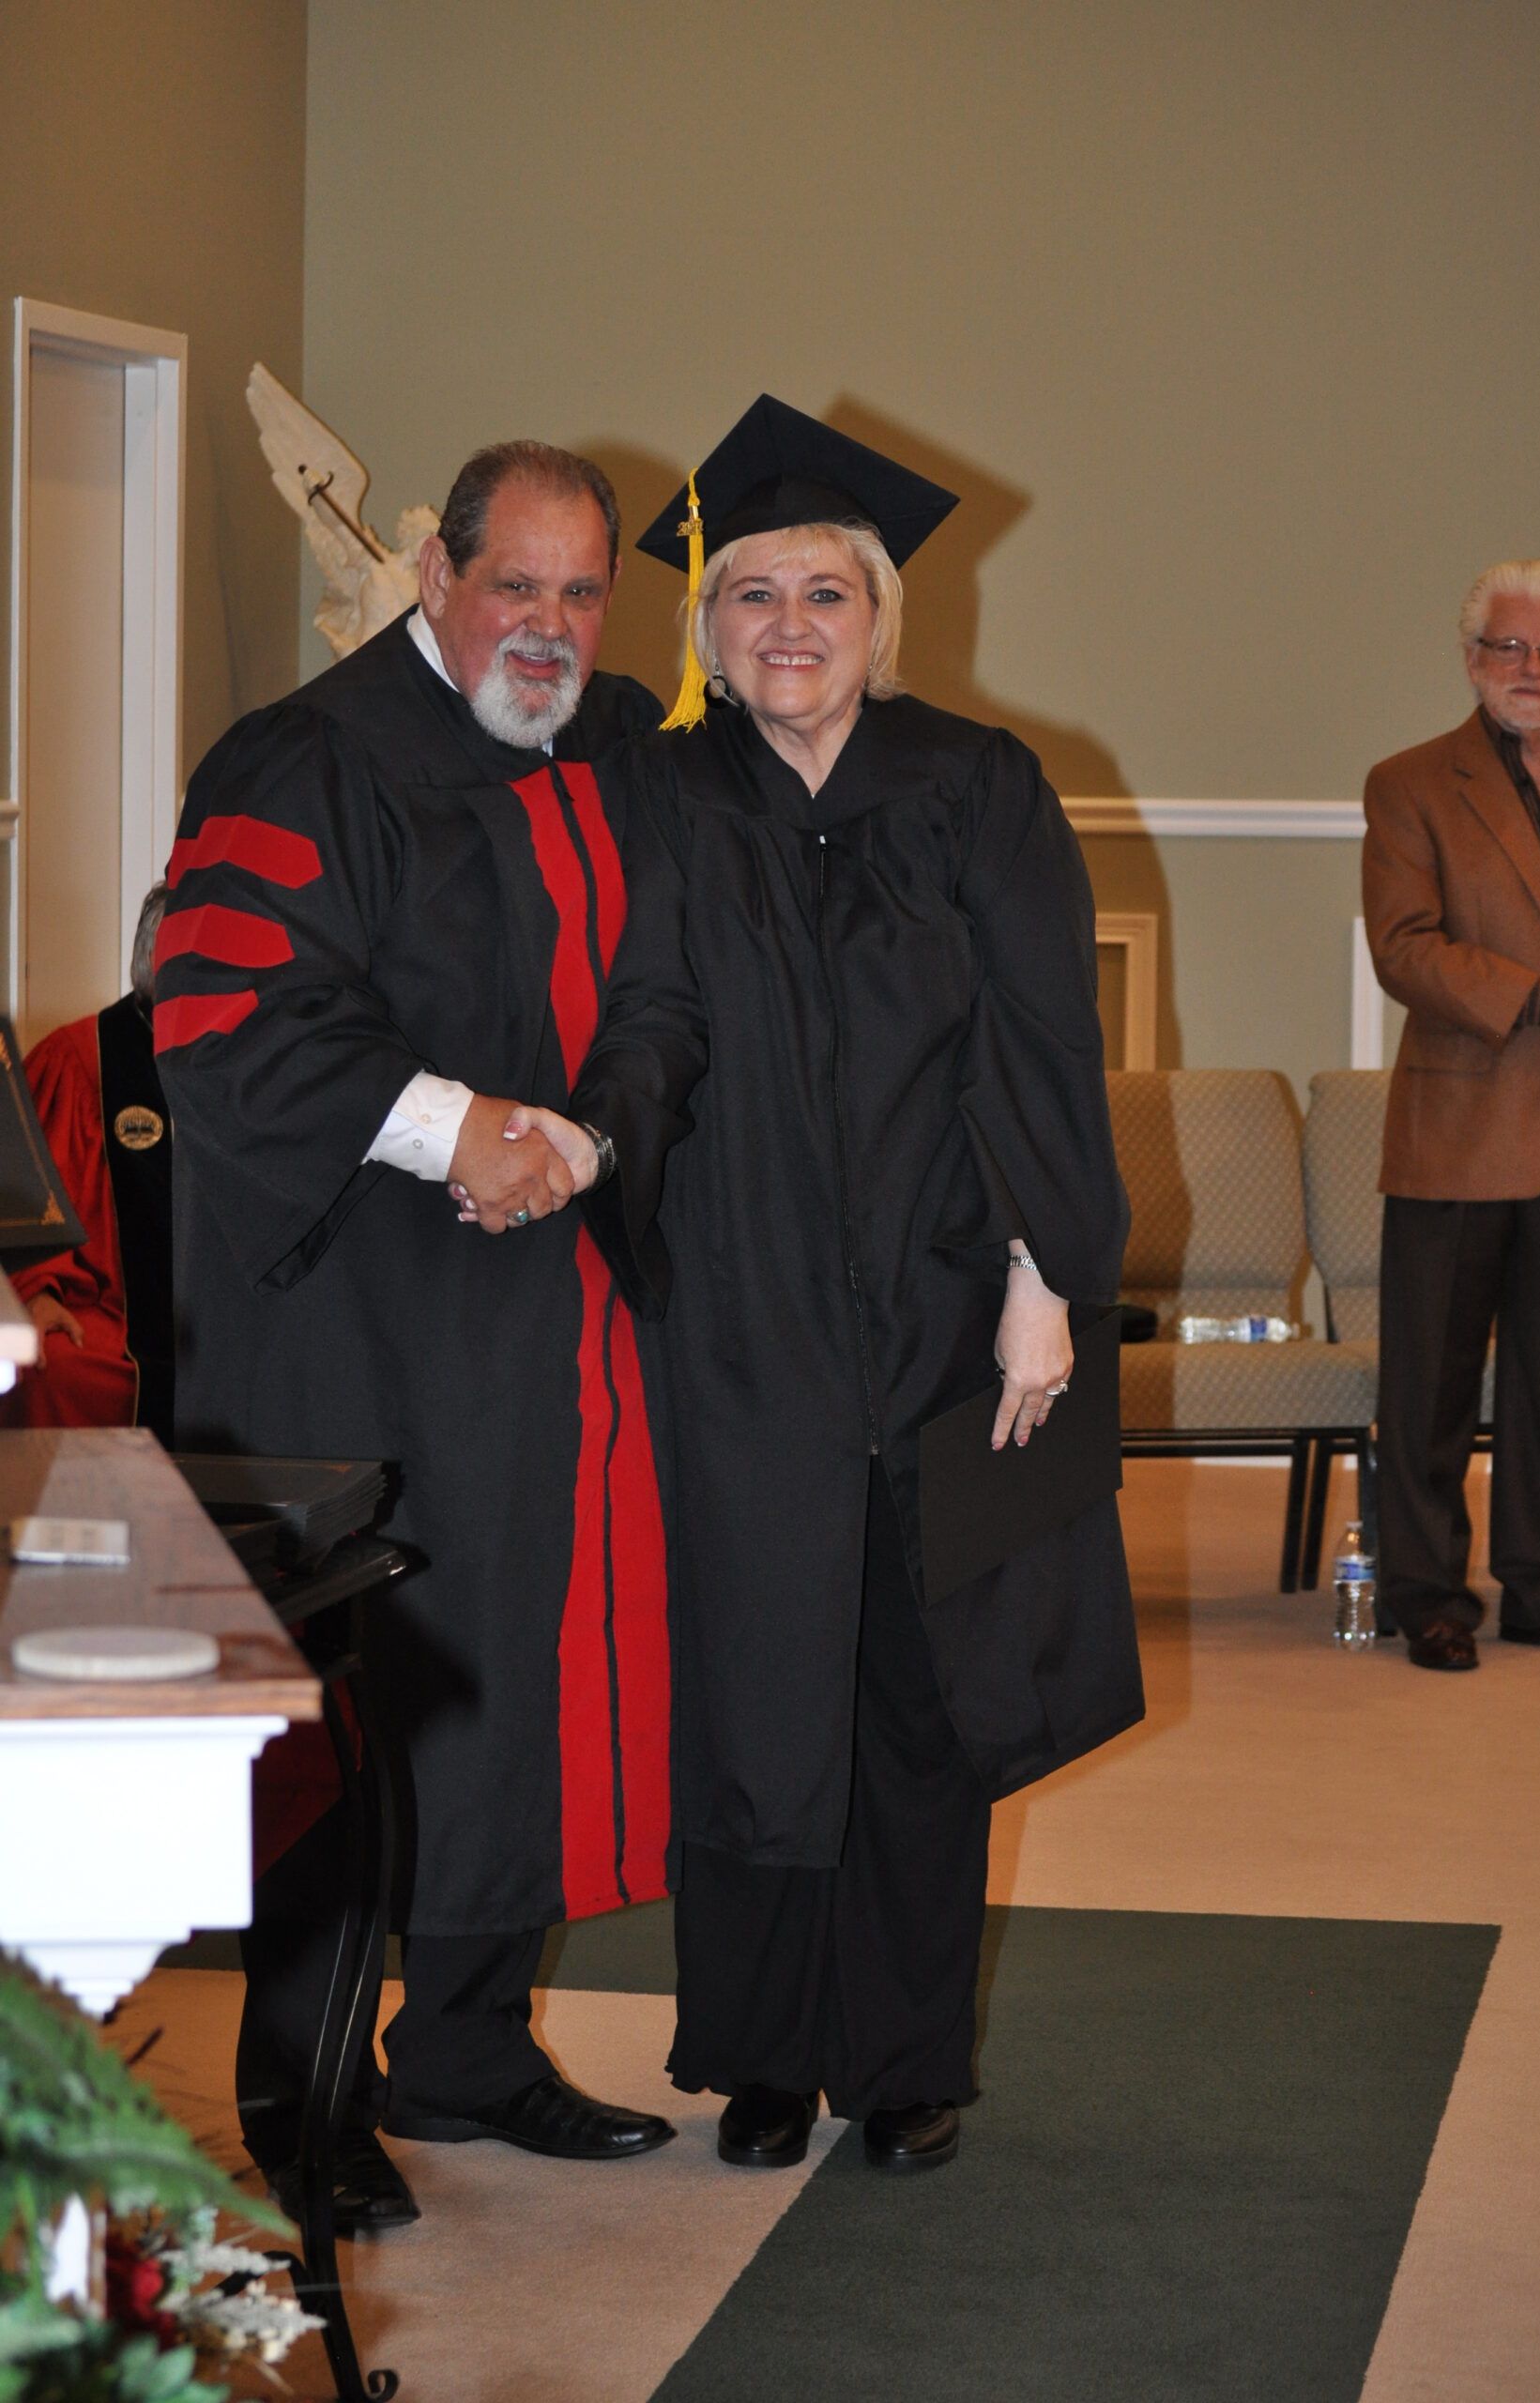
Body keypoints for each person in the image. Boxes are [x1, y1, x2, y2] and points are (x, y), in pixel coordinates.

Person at [467, 397, 1144, 2174]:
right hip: (743, 1310)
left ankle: (908, 2058)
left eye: (823, 595)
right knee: (751, 1681)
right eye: (751, 595)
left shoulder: (978, 786)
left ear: (876, 618)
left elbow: (1037, 1048)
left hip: (943, 1307)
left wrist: (1042, 1279)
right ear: (706, 632)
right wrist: (595, 1150)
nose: (786, 625)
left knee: (917, 1689)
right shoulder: (670, 795)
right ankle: (763, 2052)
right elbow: (655, 1019)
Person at [155, 439, 677, 2233]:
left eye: (581, 592)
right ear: (438, 578)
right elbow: (220, 1015)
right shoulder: (306, 759)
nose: (546, 627)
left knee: (511, 1683)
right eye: (513, 585)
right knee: (362, 1706)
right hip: (349, 1321)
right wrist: (459, 1126)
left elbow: (670, 988)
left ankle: (463, 2049)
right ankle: (302, 2105)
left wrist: (584, 1138)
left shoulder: (613, 751)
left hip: (540, 1311)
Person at [1363, 558, 1540, 1672]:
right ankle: (1425, 1592)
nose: (1532, 669)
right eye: (1510, 647)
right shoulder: (1409, 782)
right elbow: (1401, 948)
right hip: (1458, 1126)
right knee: (1430, 1378)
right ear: (1469, 658)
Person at [3, 884, 175, 1446]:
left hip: (234, 1310)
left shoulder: (245, 1060)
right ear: (156, 961)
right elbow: (30, 1200)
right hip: (115, 1313)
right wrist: (38, 1290)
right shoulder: (82, 1060)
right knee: (59, 1368)